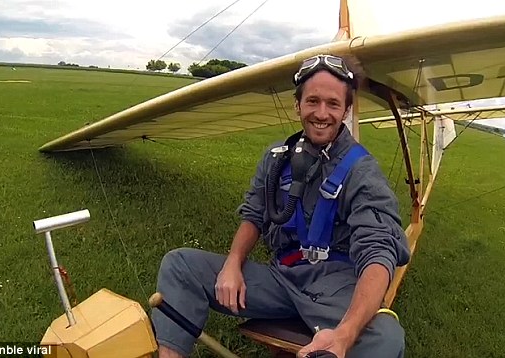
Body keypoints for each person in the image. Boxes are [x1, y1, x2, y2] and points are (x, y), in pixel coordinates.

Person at [152, 54, 411, 358]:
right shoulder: (277, 158)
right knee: (180, 266)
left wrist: (344, 334)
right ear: (297, 105)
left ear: (346, 111)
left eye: (333, 104)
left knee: (386, 338)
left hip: (336, 287)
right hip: (281, 278)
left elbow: (379, 250)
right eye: (312, 101)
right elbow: (254, 214)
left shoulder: (363, 171)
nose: (321, 113)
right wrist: (233, 263)